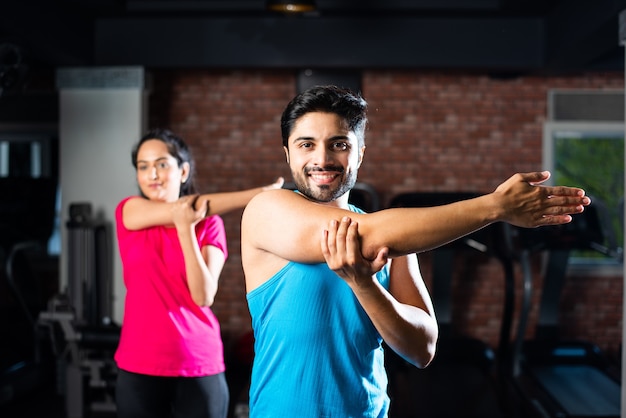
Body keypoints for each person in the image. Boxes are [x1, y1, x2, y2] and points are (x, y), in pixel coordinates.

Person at [240, 85, 591, 417]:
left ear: (360, 153)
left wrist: (366, 286)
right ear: (287, 154)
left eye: (339, 144)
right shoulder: (265, 210)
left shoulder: (396, 238)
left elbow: (421, 349)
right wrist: (494, 207)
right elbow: (361, 236)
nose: (322, 158)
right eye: (306, 144)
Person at [113, 128, 283, 418]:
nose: (152, 174)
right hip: (138, 361)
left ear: (183, 171)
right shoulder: (130, 212)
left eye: (162, 164)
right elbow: (185, 207)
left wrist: (185, 229)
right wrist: (257, 195)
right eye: (143, 167)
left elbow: (203, 295)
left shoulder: (210, 224)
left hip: (197, 360)